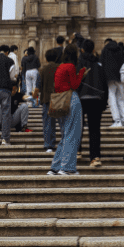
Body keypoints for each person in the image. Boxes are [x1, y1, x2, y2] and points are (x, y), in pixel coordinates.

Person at [48, 44, 88, 175]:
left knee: (66, 134)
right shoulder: (71, 66)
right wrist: (81, 73)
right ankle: (67, 167)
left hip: (61, 101)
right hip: (71, 99)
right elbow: (75, 84)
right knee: (73, 133)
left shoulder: (60, 66)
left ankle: (55, 166)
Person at [77, 40, 107, 168]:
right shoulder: (99, 65)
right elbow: (105, 85)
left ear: (82, 50)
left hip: (80, 99)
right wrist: (104, 102)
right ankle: (95, 157)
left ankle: (77, 151)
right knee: (94, 130)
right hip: (96, 99)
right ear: (93, 50)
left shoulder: (77, 64)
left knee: (78, 127)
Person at [35, 48, 62, 152]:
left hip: (46, 99)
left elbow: (38, 87)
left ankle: (49, 145)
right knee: (62, 122)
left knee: (48, 123)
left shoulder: (42, 70)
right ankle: (64, 142)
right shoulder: (60, 68)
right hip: (59, 98)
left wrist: (35, 96)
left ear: (46, 59)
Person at [100, 39, 124, 129]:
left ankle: (117, 120)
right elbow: (123, 62)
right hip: (119, 76)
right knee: (121, 98)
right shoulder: (120, 49)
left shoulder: (105, 50)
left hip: (109, 77)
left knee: (111, 98)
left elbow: (102, 64)